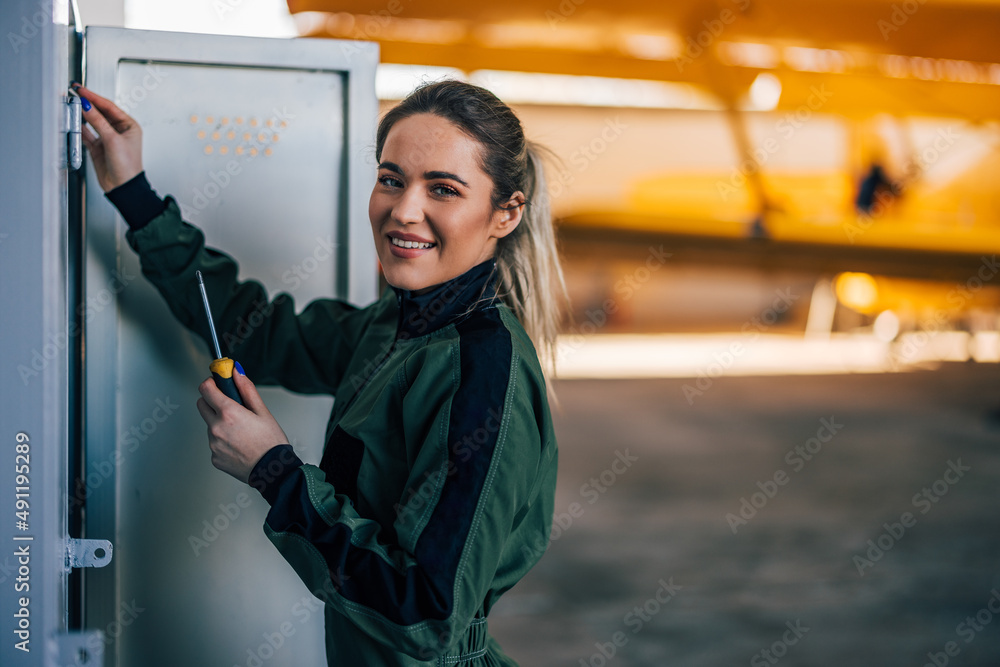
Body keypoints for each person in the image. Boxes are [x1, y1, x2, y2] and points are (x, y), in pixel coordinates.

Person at [73, 78, 565, 666]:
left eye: (444, 189)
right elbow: (257, 329)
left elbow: (424, 614)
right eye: (391, 180)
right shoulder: (397, 326)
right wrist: (135, 197)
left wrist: (275, 471)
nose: (404, 211)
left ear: (505, 214)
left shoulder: (483, 377)